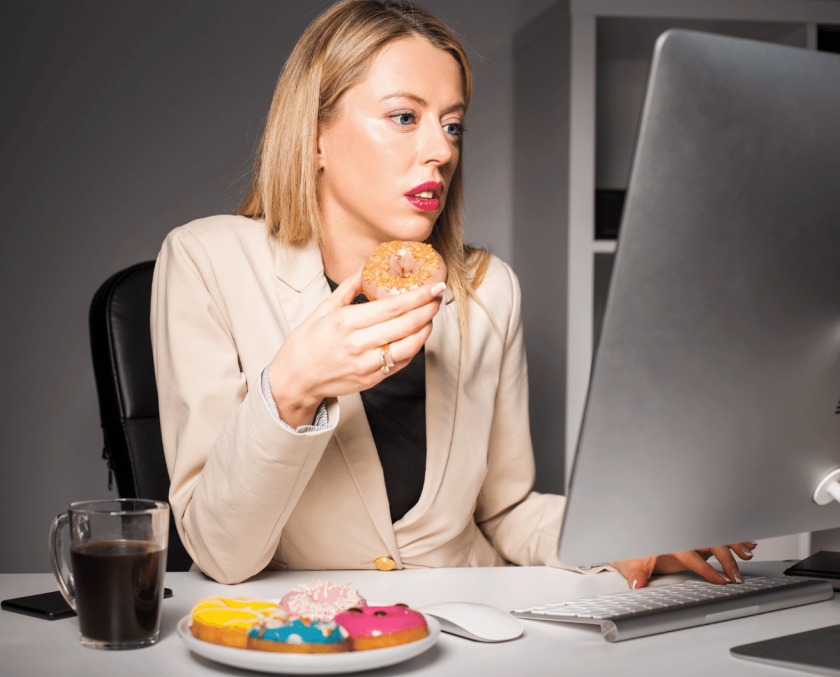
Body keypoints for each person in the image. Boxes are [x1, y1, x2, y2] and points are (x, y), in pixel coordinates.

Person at [151, 0, 755, 586]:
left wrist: (626, 533)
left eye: (452, 124)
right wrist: (292, 387)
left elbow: (508, 512)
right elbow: (220, 553)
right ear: (315, 137)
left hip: (471, 630)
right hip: (310, 636)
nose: (441, 152)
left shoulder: (490, 290)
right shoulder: (205, 261)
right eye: (404, 117)